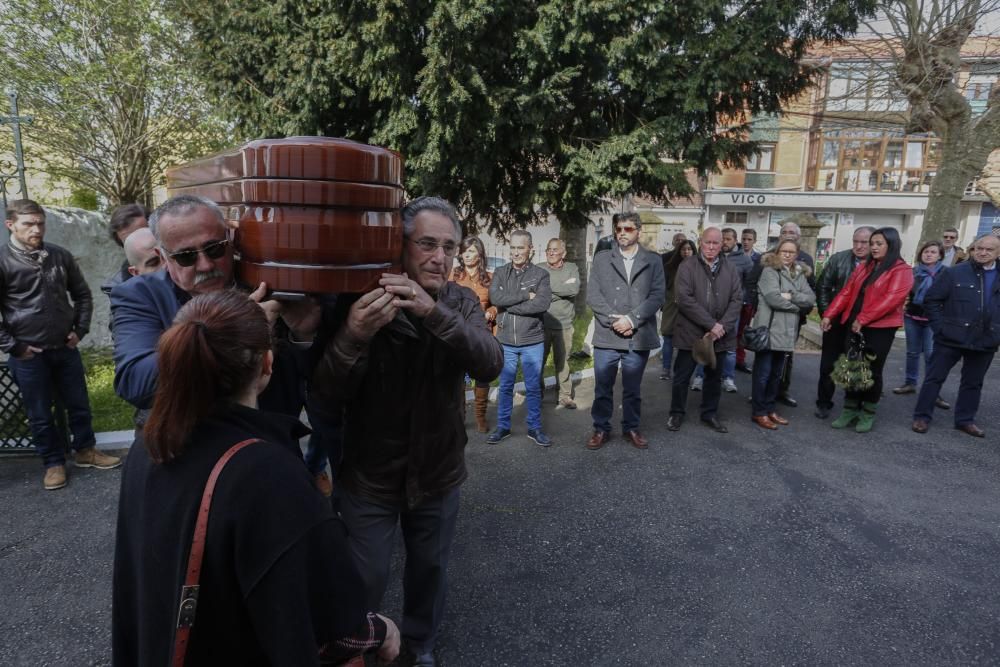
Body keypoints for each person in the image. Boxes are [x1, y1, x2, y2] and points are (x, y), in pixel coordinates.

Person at [112, 290, 399, 666]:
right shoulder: (268, 474)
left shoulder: (149, 446)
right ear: (267, 364)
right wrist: (381, 630)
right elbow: (333, 628)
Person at [312, 196, 503, 667]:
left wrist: (430, 312)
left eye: (449, 247)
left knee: (429, 571)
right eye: (427, 244)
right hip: (370, 475)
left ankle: (419, 647)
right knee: (364, 575)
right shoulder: (360, 300)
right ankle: (360, 643)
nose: (440, 257)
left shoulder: (459, 301)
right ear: (400, 246)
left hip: (437, 472)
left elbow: (490, 362)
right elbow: (325, 393)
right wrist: (353, 335)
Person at [111, 194, 320, 418]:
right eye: (186, 256)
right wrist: (235, 331)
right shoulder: (141, 295)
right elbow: (135, 381)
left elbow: (316, 384)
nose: (205, 265)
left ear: (230, 239)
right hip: (188, 443)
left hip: (273, 435)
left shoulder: (264, 280)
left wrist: (304, 336)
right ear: (162, 256)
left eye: (214, 248)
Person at [1, 199, 119, 490]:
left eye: (40, 222)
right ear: (11, 225)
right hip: (28, 354)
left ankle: (85, 451)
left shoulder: (59, 255)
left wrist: (80, 329)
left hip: (65, 348)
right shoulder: (2, 261)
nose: (36, 228)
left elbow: (82, 295)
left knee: (79, 405)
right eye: (28, 223)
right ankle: (53, 463)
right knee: (40, 413)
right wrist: (15, 347)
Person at [586, 212, 665, 450]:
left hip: (637, 335)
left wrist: (631, 320)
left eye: (628, 229)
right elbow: (593, 295)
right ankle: (601, 428)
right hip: (607, 334)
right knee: (602, 387)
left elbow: (658, 296)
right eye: (619, 228)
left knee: (632, 388)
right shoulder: (601, 259)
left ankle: (631, 427)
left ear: (638, 231)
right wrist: (614, 320)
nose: (622, 232)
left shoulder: (653, 260)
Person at [821, 227, 913, 432]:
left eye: (879, 244)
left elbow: (892, 299)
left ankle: (867, 412)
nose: (873, 247)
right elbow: (845, 293)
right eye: (872, 243)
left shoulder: (901, 270)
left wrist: (863, 319)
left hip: (879, 328)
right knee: (851, 367)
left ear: (891, 245)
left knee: (871, 371)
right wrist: (830, 314)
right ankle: (850, 409)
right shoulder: (864, 266)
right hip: (853, 324)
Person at [912, 234, 1000, 437]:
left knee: (973, 382)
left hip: (985, 340)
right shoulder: (954, 273)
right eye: (979, 248)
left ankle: (965, 420)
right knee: (934, 378)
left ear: (998, 253)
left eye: (989, 249)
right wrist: (940, 328)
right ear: (972, 249)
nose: (982, 252)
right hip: (950, 337)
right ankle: (921, 417)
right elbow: (932, 300)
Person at [669, 227, 742, 433]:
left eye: (715, 243)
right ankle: (676, 413)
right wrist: (711, 324)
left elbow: (737, 300)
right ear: (700, 242)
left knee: (713, 378)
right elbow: (684, 299)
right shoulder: (687, 266)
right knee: (682, 376)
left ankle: (709, 414)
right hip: (690, 333)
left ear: (722, 245)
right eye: (707, 242)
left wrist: (721, 327)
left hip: (719, 336)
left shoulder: (731, 269)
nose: (711, 247)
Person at [488, 229, 553, 446]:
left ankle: (534, 428)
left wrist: (508, 305)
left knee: (533, 387)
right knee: (505, 386)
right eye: (513, 247)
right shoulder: (500, 271)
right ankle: (503, 427)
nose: (516, 252)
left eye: (520, 248)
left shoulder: (541, 275)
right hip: (506, 340)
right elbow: (495, 297)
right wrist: (525, 295)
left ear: (530, 249)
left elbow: (542, 304)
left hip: (532, 340)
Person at [749, 240, 815, 429]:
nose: (787, 255)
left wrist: (790, 295)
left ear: (797, 254)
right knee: (763, 374)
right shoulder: (769, 271)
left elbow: (811, 299)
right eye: (784, 251)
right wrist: (796, 306)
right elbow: (773, 298)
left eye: (792, 252)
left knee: (777, 374)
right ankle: (759, 412)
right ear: (777, 252)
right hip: (769, 330)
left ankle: (770, 409)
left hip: (787, 331)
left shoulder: (800, 273)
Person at [813, 226, 874, 418]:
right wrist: (826, 314)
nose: (859, 246)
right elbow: (823, 287)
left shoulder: (879, 265)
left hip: (862, 323)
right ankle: (824, 402)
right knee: (828, 364)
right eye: (855, 241)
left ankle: (852, 405)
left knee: (855, 364)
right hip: (836, 320)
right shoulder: (838, 259)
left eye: (864, 242)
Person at [691, 227, 752, 393]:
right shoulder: (703, 260)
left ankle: (728, 377)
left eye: (728, 239)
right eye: (722, 239)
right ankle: (700, 376)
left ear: (735, 241)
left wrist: (740, 301)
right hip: (708, 311)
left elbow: (748, 284)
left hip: (731, 311)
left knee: (729, 347)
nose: (724, 242)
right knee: (704, 342)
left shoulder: (743, 260)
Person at [450, 235, 497, 431]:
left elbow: (497, 304)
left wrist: (492, 311)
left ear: (479, 254)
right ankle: (459, 418)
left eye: (470, 251)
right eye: (464, 251)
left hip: (481, 335)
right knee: (457, 378)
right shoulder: (453, 276)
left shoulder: (489, 278)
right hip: (458, 334)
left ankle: (480, 418)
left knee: (482, 377)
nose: (466, 255)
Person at [893, 240, 947, 397]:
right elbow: (904, 293)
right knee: (912, 352)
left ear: (940, 255)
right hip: (912, 317)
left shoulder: (945, 273)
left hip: (933, 320)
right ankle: (910, 383)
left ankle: (932, 388)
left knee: (930, 353)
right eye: (926, 252)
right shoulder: (913, 272)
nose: (929, 255)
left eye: (933, 252)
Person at [539, 237, 580, 409]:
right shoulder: (539, 268)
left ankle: (565, 396)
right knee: (537, 362)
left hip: (564, 325)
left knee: (562, 362)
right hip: (541, 324)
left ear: (563, 253)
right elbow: (535, 292)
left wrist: (548, 289)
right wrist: (560, 288)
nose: (551, 252)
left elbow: (574, 289)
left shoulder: (572, 268)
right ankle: (537, 394)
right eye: (549, 249)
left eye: (555, 250)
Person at [659, 240, 697, 380]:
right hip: (671, 307)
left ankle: (683, 372)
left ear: (693, 251)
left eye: (689, 249)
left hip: (691, 309)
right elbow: (662, 286)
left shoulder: (699, 267)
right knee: (668, 338)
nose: (686, 252)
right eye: (683, 249)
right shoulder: (670, 267)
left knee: (687, 341)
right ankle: (666, 369)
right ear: (678, 251)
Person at [100, 203, 149, 298]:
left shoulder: (181, 260)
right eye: (129, 241)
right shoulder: (119, 288)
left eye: (142, 234)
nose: (140, 244)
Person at [734, 228, 762, 374]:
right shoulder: (734, 256)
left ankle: (740, 359)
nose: (745, 242)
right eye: (744, 239)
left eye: (749, 239)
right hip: (734, 299)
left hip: (749, 300)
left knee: (744, 332)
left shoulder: (759, 259)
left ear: (754, 241)